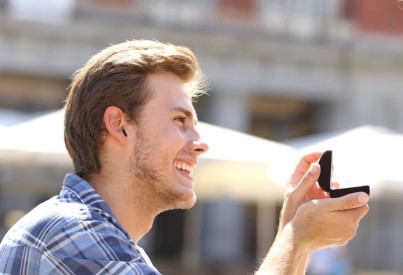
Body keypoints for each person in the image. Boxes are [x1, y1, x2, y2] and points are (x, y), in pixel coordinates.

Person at [0, 40, 369, 274]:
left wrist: (294, 233)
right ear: (119, 126)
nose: (200, 142)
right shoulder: (72, 233)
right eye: (180, 121)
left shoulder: (107, 242)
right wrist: (296, 239)